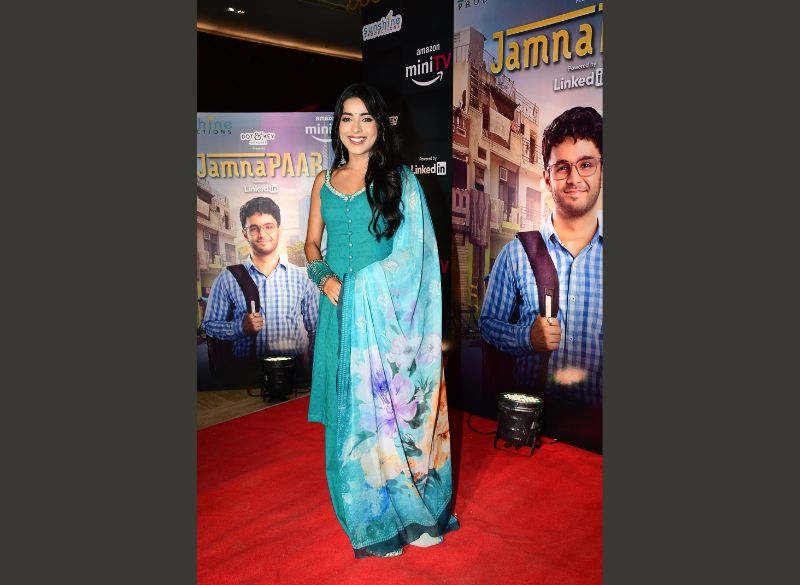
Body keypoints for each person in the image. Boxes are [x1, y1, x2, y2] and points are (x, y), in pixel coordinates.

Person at [304, 82, 458, 558]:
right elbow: (310, 245)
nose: (356, 128)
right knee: (346, 416)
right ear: (337, 126)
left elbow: (417, 254)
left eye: (366, 118)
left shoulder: (400, 180)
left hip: (389, 318)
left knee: (393, 415)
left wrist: (365, 285)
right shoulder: (323, 181)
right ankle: (367, 520)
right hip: (339, 314)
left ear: (380, 125)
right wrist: (324, 277)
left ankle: (410, 509)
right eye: (347, 118)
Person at [478, 106, 603, 412]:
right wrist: (526, 338)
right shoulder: (516, 254)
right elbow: (487, 326)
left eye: (586, 164)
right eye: (562, 167)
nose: (574, 178)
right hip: (532, 421)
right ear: (547, 178)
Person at [202, 196, 319, 387]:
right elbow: (209, 326)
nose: (262, 234)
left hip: (292, 376)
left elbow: (316, 331)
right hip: (244, 379)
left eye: (269, 226)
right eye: (254, 228)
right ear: (245, 233)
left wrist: (314, 373)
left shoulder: (303, 277)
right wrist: (239, 328)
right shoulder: (228, 278)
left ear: (280, 229)